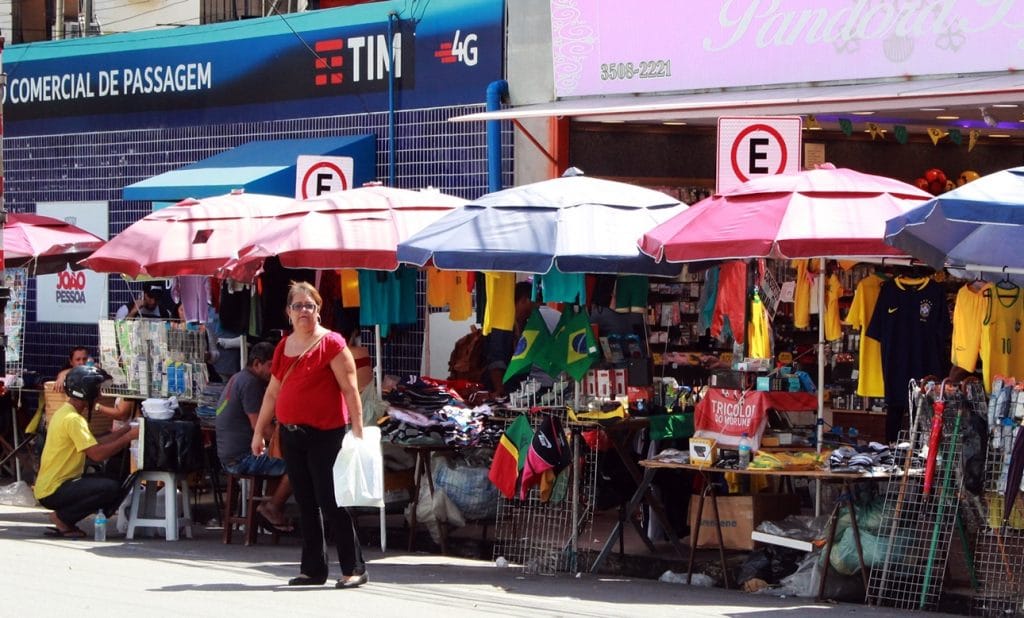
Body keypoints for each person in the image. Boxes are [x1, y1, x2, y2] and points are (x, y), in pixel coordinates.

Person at [251, 281, 367, 589]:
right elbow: (272, 392)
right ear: (288, 312)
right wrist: (259, 432)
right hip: (292, 434)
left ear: (318, 310)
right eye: (298, 305)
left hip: (327, 434)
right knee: (305, 502)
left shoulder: (332, 343)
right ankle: (313, 570)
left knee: (332, 501)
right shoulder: (283, 346)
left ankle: (354, 567)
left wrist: (358, 432)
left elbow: (350, 390)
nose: (303, 310)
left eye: (309, 305)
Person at [34, 365, 139, 538]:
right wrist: (128, 438)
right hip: (54, 489)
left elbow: (94, 442)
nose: (100, 395)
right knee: (110, 488)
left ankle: (64, 517)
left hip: (53, 486)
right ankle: (63, 518)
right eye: (97, 390)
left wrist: (126, 430)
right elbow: (97, 454)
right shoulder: (73, 419)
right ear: (87, 391)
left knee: (111, 480)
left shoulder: (66, 413)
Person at [215, 341, 293, 533]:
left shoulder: (239, 378)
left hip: (230, 455)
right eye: (270, 366)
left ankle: (270, 508)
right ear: (257, 364)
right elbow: (261, 427)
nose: (273, 371)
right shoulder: (251, 383)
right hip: (241, 458)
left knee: (283, 456)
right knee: (298, 464)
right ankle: (272, 507)